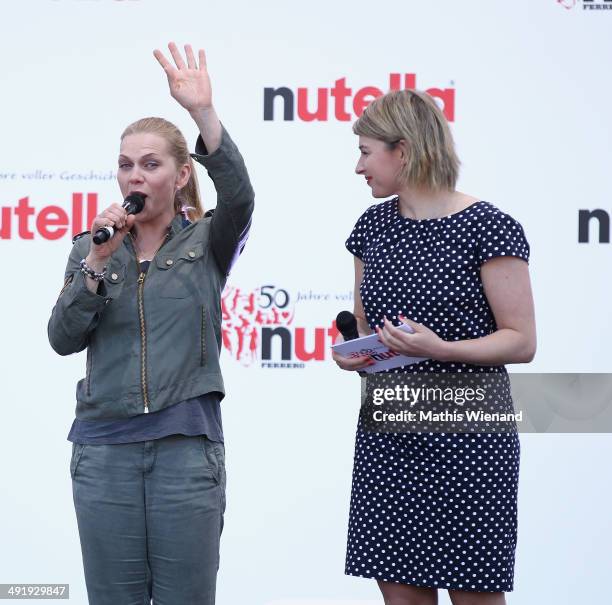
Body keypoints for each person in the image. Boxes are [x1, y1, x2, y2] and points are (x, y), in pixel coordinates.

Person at [48, 42, 254, 605]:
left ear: (181, 173)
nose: (134, 176)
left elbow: (240, 195)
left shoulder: (209, 240)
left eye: (150, 164)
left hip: (185, 455)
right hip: (104, 454)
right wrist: (94, 262)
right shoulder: (91, 248)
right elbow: (61, 339)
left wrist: (203, 113)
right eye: (124, 164)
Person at [332, 89, 536, 605]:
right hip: (390, 429)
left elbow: (522, 340)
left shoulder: (489, 226)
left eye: (365, 152)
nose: (358, 167)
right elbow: (365, 323)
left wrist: (443, 349)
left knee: (474, 596)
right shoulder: (371, 227)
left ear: (403, 151)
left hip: (469, 435)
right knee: (401, 596)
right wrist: (356, 353)